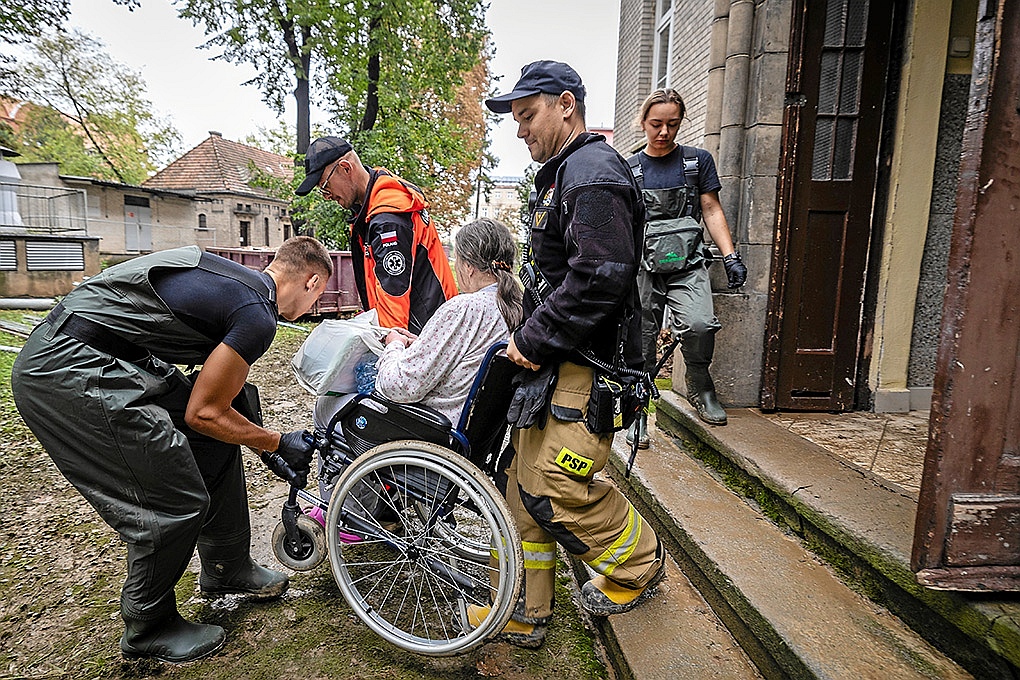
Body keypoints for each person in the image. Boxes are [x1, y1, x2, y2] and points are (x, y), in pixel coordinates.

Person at [11, 237, 332, 664]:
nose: (313, 306)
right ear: (312, 282)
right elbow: (204, 413)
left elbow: (218, 407)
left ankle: (226, 567)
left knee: (225, 425)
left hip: (115, 355)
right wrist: (276, 442)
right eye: (318, 297)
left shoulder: (242, 287)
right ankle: (149, 626)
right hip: (68, 368)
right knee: (172, 495)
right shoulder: (257, 315)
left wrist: (267, 448)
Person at [478, 60, 664, 648]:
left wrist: (531, 339)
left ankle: (640, 564)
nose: (519, 130)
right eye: (515, 119)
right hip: (556, 368)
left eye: (527, 115)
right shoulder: (564, 173)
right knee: (519, 490)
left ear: (566, 105)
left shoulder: (591, 172)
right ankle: (523, 607)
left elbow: (599, 276)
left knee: (555, 487)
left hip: (587, 369)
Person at [307, 218, 523, 515]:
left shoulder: (465, 308)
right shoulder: (513, 309)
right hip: (467, 434)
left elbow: (398, 386)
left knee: (328, 408)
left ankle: (348, 517)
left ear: (469, 266)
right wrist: (421, 343)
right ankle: (376, 508)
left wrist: (394, 344)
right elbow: (461, 357)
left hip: (428, 429)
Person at [626, 88, 747, 444]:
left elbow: (711, 208)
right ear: (643, 122)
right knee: (641, 337)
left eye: (673, 124)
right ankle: (637, 409)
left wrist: (730, 256)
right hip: (643, 266)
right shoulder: (630, 168)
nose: (664, 132)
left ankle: (699, 384)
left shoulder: (697, 162)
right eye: (656, 124)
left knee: (699, 324)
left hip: (688, 262)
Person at [295, 135, 457, 335]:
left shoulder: (388, 219)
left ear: (346, 168)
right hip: (430, 327)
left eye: (325, 186)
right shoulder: (373, 205)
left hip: (426, 335)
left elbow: (394, 298)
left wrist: (389, 345)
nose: (327, 196)